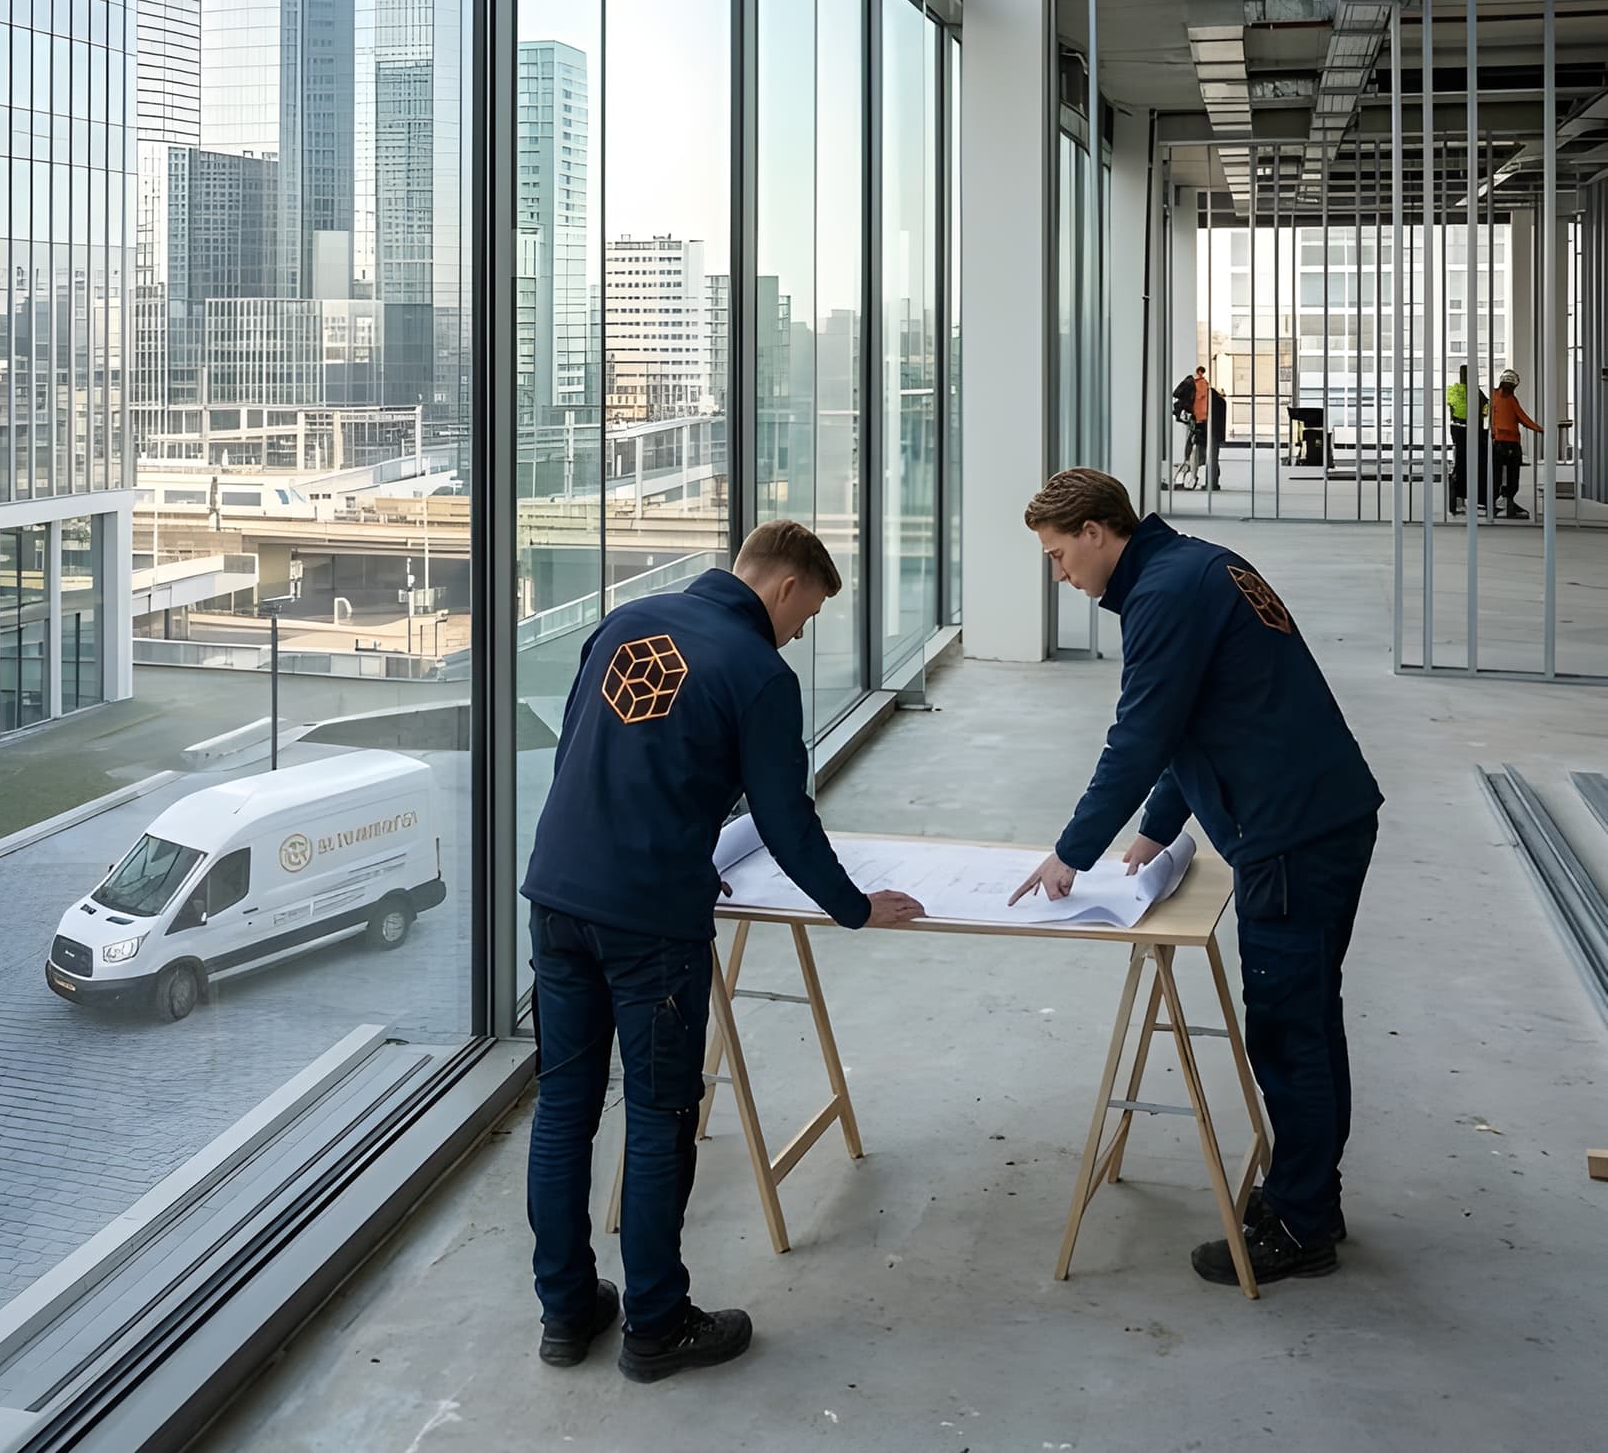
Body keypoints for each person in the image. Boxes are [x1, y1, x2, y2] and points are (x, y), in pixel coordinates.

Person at [521, 521, 924, 1383]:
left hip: (556, 896)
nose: (800, 633)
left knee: (564, 1112)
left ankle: (565, 1314)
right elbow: (786, 818)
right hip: (649, 926)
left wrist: (678, 849)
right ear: (783, 588)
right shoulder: (759, 674)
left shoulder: (624, 622)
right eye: (806, 616)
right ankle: (657, 1327)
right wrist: (854, 909)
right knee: (661, 1117)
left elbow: (582, 757)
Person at [1013, 469, 1382, 1288]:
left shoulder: (1165, 596)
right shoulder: (1195, 567)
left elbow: (1140, 733)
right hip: (1320, 813)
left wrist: (1071, 851)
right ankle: (1310, 1193)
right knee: (1310, 1019)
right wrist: (1155, 828)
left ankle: (1300, 1226)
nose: (1059, 573)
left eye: (1058, 554)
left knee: (1291, 1031)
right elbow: (1200, 713)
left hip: (1291, 834)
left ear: (1097, 532)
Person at [1491, 369, 1542, 519]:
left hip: (1497, 442)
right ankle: (1507, 503)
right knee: (1512, 475)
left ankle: (1497, 503)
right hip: (1511, 444)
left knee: (1497, 474)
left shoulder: (1493, 397)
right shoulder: (1512, 400)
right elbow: (1523, 418)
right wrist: (1539, 429)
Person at [1172, 363, 1227, 491]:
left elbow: (1191, 409)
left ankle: (1209, 483)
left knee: (1208, 453)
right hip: (1213, 422)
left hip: (1209, 422)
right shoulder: (1205, 391)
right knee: (1211, 453)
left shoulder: (1192, 393)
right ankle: (1211, 482)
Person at [1446, 364, 1488, 515]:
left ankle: (1458, 500)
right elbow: (1485, 411)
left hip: (1457, 429)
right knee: (1477, 464)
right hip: (1473, 431)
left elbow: (1451, 406)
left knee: (1461, 464)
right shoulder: (1477, 393)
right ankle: (1477, 499)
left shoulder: (1454, 391)